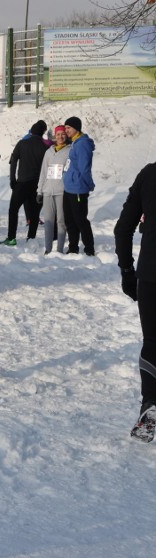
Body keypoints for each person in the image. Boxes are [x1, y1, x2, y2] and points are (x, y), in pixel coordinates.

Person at [114, 161, 156, 442]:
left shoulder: (149, 174)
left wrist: (127, 271)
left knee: (152, 342)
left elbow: (122, 229)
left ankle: (150, 405)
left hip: (151, 272)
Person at [1, 121, 48, 245]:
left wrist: (12, 179)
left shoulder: (22, 144)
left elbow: (13, 161)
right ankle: (31, 238)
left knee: (13, 210)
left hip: (21, 183)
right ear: (43, 132)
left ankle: (11, 237)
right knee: (34, 213)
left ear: (31, 131)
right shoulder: (45, 148)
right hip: (38, 184)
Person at [62, 116, 96, 256]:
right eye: (65, 128)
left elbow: (84, 168)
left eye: (69, 128)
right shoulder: (75, 143)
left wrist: (89, 184)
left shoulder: (82, 144)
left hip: (78, 189)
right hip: (69, 188)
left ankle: (89, 248)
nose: (66, 131)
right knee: (70, 221)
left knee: (80, 220)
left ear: (76, 128)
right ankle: (73, 247)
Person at [37, 126, 71, 254]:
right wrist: (40, 191)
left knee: (61, 221)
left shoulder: (69, 151)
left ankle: (60, 249)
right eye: (58, 134)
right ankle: (48, 248)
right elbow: (43, 172)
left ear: (66, 136)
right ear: (54, 136)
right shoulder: (49, 152)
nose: (60, 137)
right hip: (47, 192)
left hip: (62, 191)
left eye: (63, 134)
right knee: (48, 222)